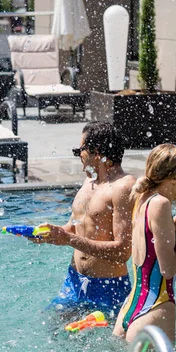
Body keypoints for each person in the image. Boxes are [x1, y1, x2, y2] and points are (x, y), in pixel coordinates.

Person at [33, 122, 136, 315]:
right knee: (55, 333)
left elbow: (123, 251)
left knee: (106, 344)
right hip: (73, 281)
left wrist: (69, 240)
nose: (78, 155)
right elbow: (75, 227)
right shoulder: (89, 182)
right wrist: (51, 234)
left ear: (96, 152)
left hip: (108, 287)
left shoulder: (123, 187)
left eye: (79, 150)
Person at [113, 144, 176, 343]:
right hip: (156, 307)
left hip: (131, 308)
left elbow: (153, 246)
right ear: (173, 177)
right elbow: (168, 269)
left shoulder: (143, 199)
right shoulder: (161, 204)